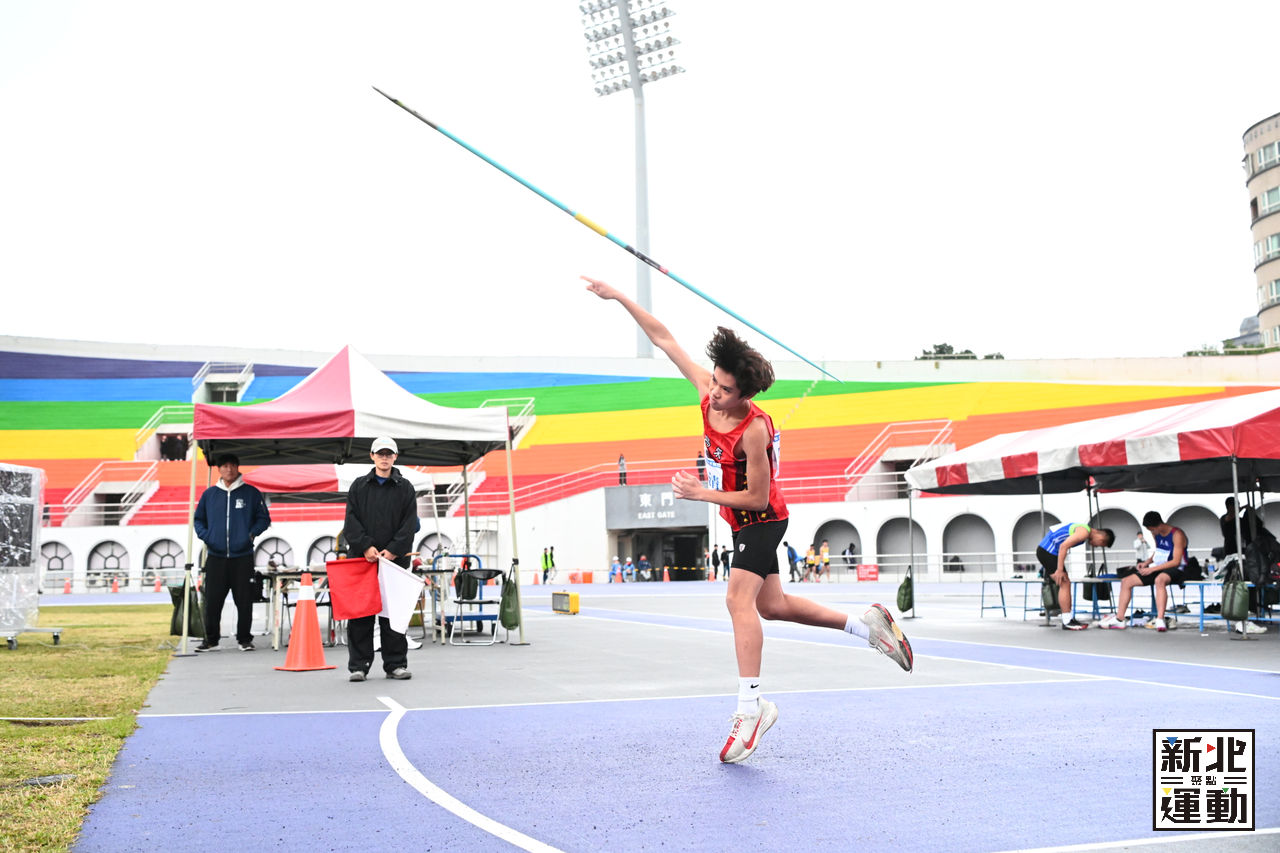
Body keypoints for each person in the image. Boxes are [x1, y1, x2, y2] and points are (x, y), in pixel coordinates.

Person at [585, 274, 913, 765]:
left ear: (744, 394)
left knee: (738, 601)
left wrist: (703, 493)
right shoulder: (706, 391)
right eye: (715, 383)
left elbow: (758, 495)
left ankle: (750, 709)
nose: (714, 393)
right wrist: (619, 297)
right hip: (741, 522)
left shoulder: (753, 430)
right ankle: (866, 627)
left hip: (762, 518)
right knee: (773, 606)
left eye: (725, 389)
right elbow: (664, 338)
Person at [343, 437, 418, 681]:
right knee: (360, 614)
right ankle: (358, 666)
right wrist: (366, 546)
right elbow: (350, 522)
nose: (384, 458)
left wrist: (393, 550)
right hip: (363, 561)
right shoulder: (358, 486)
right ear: (372, 456)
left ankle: (395, 664)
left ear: (395, 457)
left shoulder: (405, 488)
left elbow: (410, 525)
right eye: (380, 453)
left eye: (388, 454)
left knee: (392, 615)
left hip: (394, 562)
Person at [193, 453, 271, 652]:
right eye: (225, 466)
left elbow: (264, 519)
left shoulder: (251, 493)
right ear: (219, 469)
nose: (229, 469)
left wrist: (251, 534)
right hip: (216, 557)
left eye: (232, 466)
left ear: (237, 468)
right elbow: (198, 520)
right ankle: (211, 639)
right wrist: (207, 536)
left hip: (242, 557)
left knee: (244, 600)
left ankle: (244, 639)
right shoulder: (209, 495)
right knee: (212, 601)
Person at [1101, 511, 1186, 632]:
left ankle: (1160, 619)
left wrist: (1151, 569)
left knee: (1159, 580)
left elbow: (1176, 561)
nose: (1152, 533)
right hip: (1159, 567)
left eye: (1152, 530)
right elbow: (1159, 551)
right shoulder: (1156, 534)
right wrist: (1147, 562)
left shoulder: (1177, 534)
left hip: (1178, 568)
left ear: (1159, 525)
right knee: (1126, 581)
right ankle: (1120, 619)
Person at [1035, 520, 1116, 630]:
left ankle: (1068, 618)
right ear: (1102, 538)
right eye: (1099, 545)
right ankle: (1067, 621)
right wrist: (1059, 570)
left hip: (1049, 551)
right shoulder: (1084, 532)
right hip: (1047, 551)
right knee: (1064, 583)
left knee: (1065, 583)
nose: (1095, 546)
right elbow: (1063, 546)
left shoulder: (1083, 530)